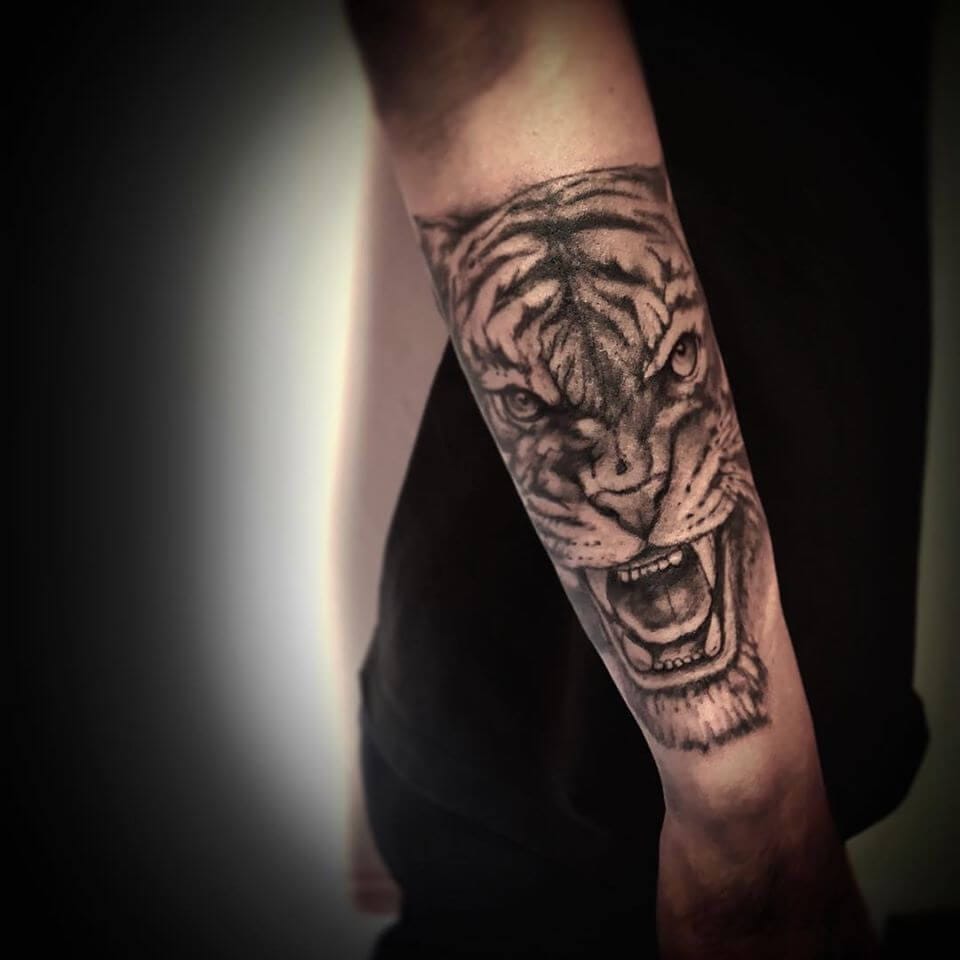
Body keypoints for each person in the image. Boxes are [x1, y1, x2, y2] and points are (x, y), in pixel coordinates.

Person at [346, 2, 930, 956]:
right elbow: (482, 29)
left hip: (698, 759)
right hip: (602, 779)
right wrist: (749, 814)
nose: (633, 477)